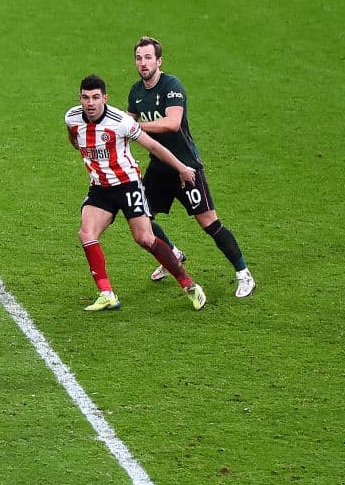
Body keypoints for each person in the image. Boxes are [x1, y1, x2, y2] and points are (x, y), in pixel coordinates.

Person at [65, 74, 207, 311]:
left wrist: (182, 168)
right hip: (100, 187)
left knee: (144, 238)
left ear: (105, 98)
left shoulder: (120, 121)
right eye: (86, 98)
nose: (90, 103)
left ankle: (189, 284)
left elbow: (152, 145)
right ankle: (106, 293)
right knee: (86, 233)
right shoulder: (72, 117)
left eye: (96, 98)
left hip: (128, 185)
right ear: (80, 98)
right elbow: (74, 138)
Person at [127, 36, 255, 297]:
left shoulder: (172, 86)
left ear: (159, 61)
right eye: (139, 58)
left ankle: (243, 273)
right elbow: (125, 125)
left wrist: (136, 128)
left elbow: (172, 123)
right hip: (159, 168)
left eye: (148, 57)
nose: (143, 63)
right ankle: (172, 254)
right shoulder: (136, 92)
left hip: (186, 168)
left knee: (209, 222)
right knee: (142, 218)